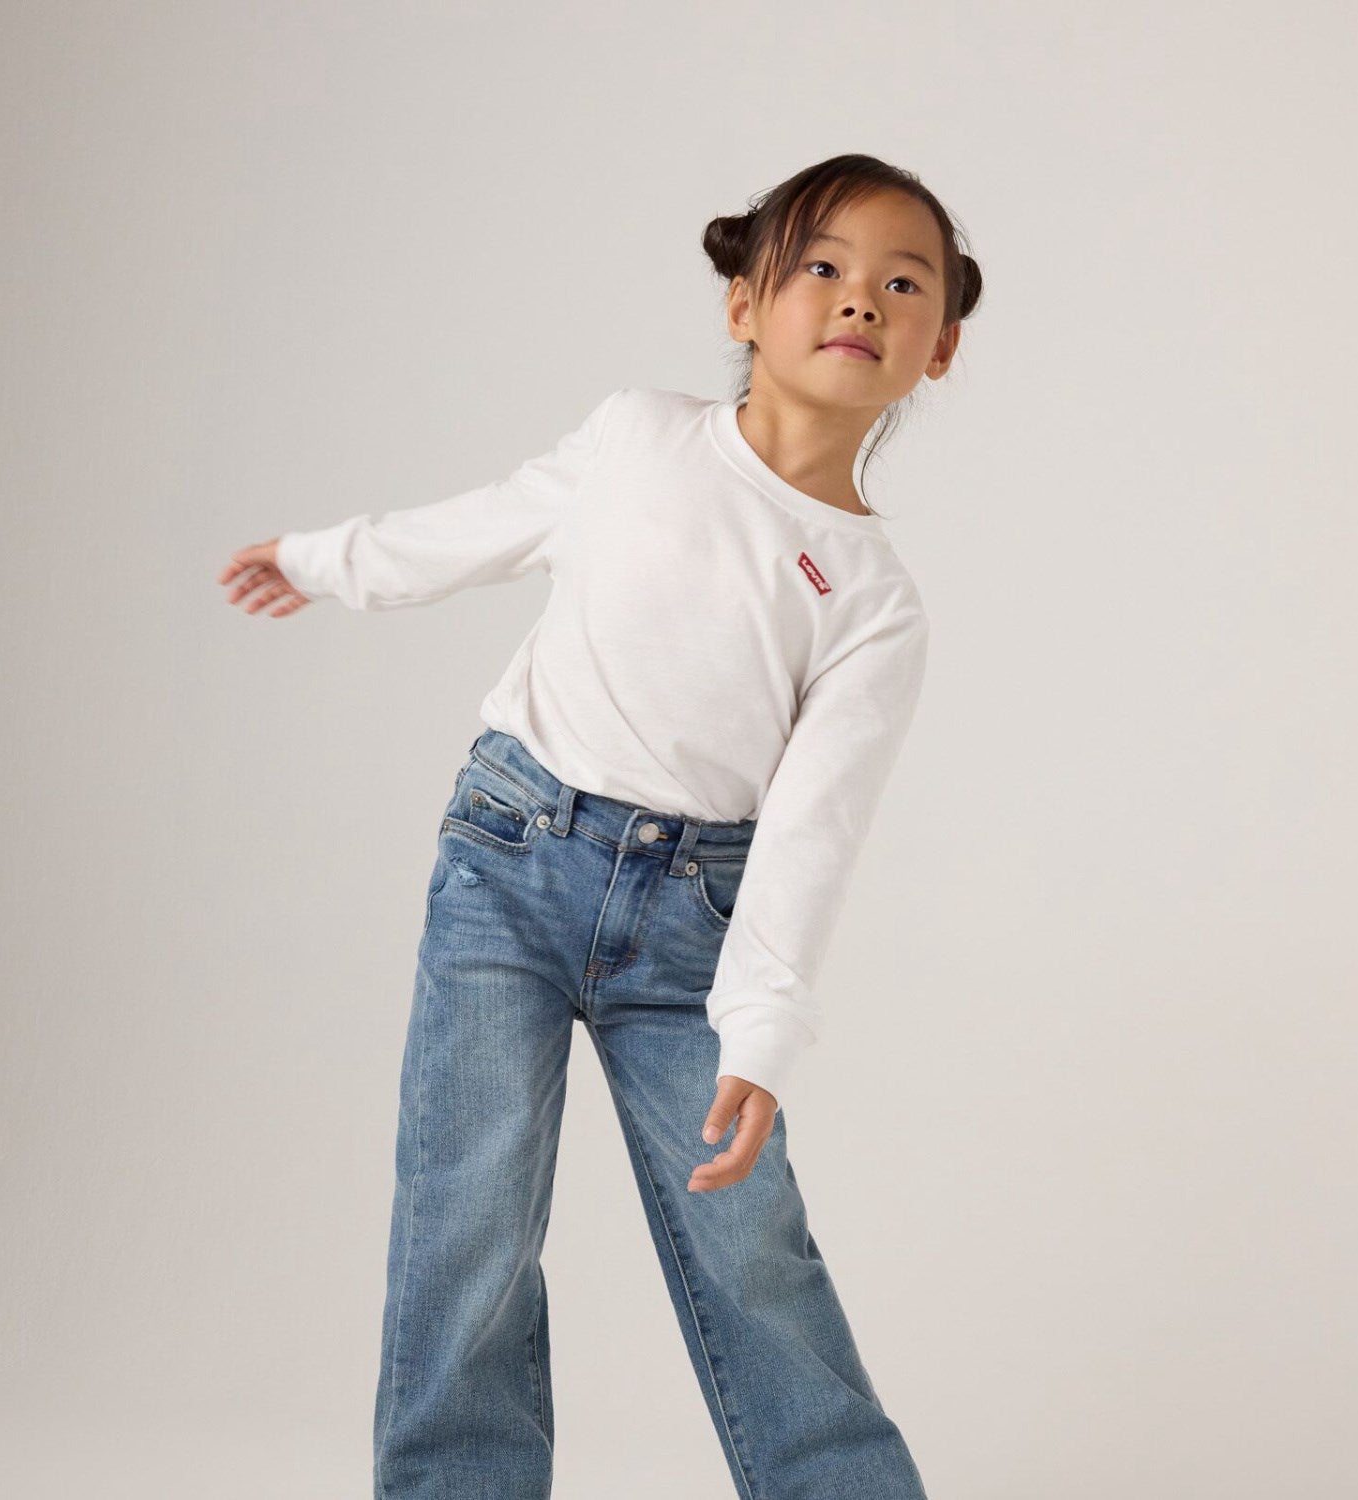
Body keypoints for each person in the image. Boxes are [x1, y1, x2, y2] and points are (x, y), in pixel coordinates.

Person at [218, 151, 983, 1500]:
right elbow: (478, 529)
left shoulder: (874, 600)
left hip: (695, 933)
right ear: (744, 303)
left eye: (901, 283)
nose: (859, 298)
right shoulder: (640, 438)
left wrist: (763, 1036)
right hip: (509, 866)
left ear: (941, 348)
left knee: (753, 1247)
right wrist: (321, 559)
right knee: (468, 1222)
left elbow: (811, 837)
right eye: (820, 266)